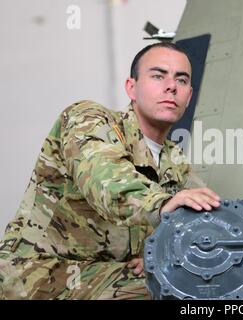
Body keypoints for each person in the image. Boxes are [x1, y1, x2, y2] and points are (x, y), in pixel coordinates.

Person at [0, 42, 221, 300]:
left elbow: (201, 224)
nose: (171, 86)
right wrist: (162, 204)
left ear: (189, 96)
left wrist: (157, 255)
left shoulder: (175, 162)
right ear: (132, 88)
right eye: (158, 76)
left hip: (105, 273)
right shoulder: (88, 119)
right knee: (164, 293)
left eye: (181, 80)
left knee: (203, 285)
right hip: (36, 272)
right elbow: (106, 180)